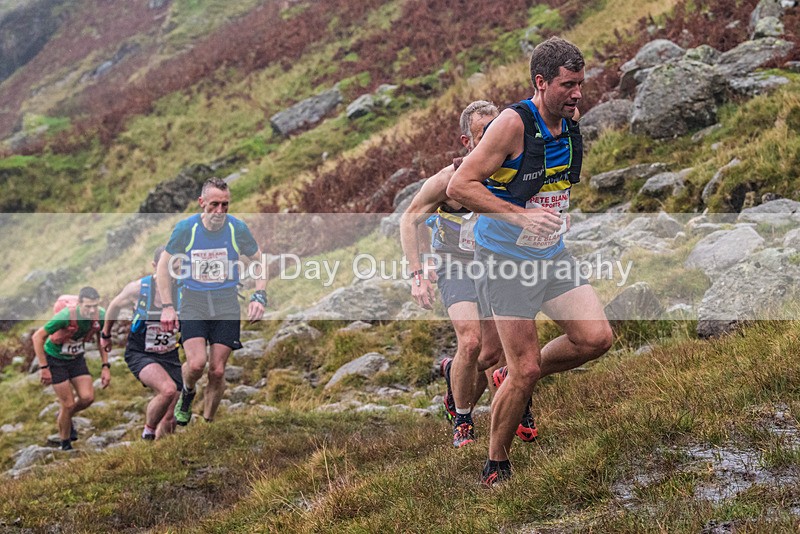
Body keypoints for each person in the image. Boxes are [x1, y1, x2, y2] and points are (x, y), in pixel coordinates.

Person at [447, 36, 613, 486]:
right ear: (541, 82)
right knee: (528, 371)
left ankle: (512, 373)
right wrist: (521, 217)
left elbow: (549, 182)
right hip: (505, 259)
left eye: (581, 83)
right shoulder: (511, 124)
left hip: (551, 254)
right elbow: (460, 186)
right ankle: (495, 464)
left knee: (596, 338)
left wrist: (555, 212)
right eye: (568, 85)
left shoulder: (569, 119)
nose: (578, 94)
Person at [400, 101, 538, 448]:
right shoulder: (448, 180)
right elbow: (410, 218)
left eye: (496, 130)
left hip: (494, 263)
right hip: (456, 263)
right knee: (471, 341)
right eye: (483, 133)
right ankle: (462, 418)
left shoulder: (510, 172)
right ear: (467, 141)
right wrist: (418, 274)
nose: (493, 138)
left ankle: (486, 389)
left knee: (493, 353)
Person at [157, 177, 267, 425]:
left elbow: (260, 261)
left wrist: (259, 295)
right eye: (214, 204)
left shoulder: (236, 228)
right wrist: (167, 306)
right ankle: (187, 391)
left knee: (217, 370)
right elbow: (163, 266)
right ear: (201, 202)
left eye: (225, 205)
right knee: (197, 364)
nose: (220, 211)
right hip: (193, 301)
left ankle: (208, 422)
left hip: (225, 302)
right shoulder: (186, 229)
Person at [100, 245, 182, 440]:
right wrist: (106, 334)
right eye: (166, 268)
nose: (172, 274)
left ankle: (159, 450)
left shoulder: (184, 288)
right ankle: (149, 432)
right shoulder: (138, 289)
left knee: (171, 415)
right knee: (168, 390)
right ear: (154, 266)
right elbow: (114, 306)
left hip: (169, 353)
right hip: (140, 353)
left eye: (177, 268)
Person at [32, 286, 111, 450]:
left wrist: (105, 366)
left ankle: (64, 416)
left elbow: (102, 340)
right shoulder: (66, 316)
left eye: (95, 306)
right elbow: (37, 337)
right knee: (67, 404)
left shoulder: (101, 316)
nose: (92, 310)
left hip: (76, 359)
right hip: (55, 359)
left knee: (87, 398)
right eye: (87, 306)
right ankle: (65, 444)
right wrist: (44, 367)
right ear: (79, 304)